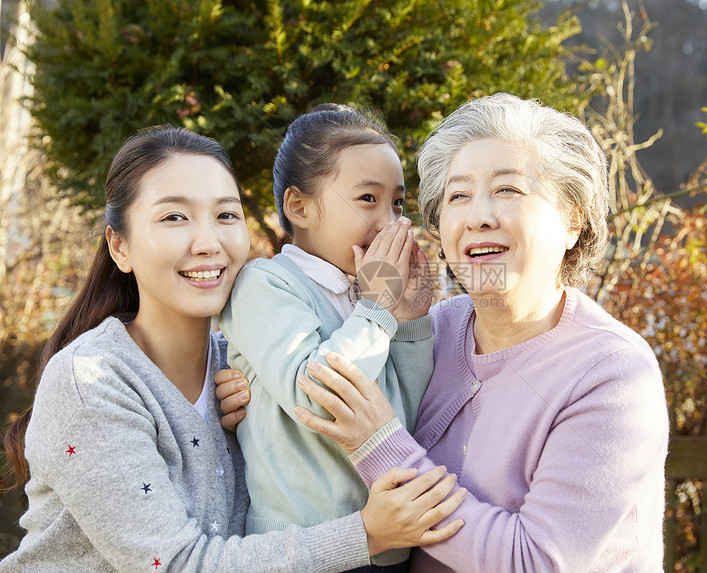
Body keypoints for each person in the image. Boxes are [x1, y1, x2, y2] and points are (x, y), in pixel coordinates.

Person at [224, 93, 669, 571]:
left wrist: (376, 441)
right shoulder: (439, 326)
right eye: (458, 196)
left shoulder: (612, 375)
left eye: (508, 190)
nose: (478, 215)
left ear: (573, 219)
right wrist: (240, 400)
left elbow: (533, 563)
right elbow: (308, 392)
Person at [0, 126, 464, 572]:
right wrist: (367, 535)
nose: (209, 243)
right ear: (120, 247)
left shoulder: (241, 367)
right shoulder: (92, 380)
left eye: (225, 215)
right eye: (174, 217)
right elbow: (176, 565)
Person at [217, 103, 437, 571]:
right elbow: (316, 399)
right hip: (306, 551)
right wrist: (377, 310)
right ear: (300, 207)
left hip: (390, 548)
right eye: (367, 199)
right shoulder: (266, 284)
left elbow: (409, 418)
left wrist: (412, 321)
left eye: (397, 203)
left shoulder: (369, 296)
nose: (390, 221)